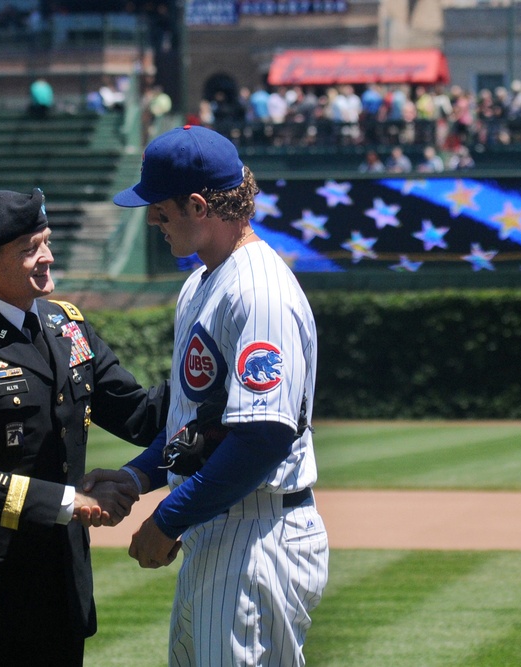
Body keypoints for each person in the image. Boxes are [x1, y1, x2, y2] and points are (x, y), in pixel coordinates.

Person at [0, 187, 169, 666]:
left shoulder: (67, 324)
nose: (46, 257)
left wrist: (213, 376)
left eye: (45, 241)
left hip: (59, 585)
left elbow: (141, 415)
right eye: (29, 249)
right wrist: (72, 501)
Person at [96, 125, 329, 666]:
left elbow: (263, 439)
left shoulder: (259, 292)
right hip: (219, 526)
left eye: (159, 208)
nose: (152, 219)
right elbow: (200, 429)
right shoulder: (204, 280)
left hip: (257, 536)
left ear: (198, 205)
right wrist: (138, 475)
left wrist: (167, 517)